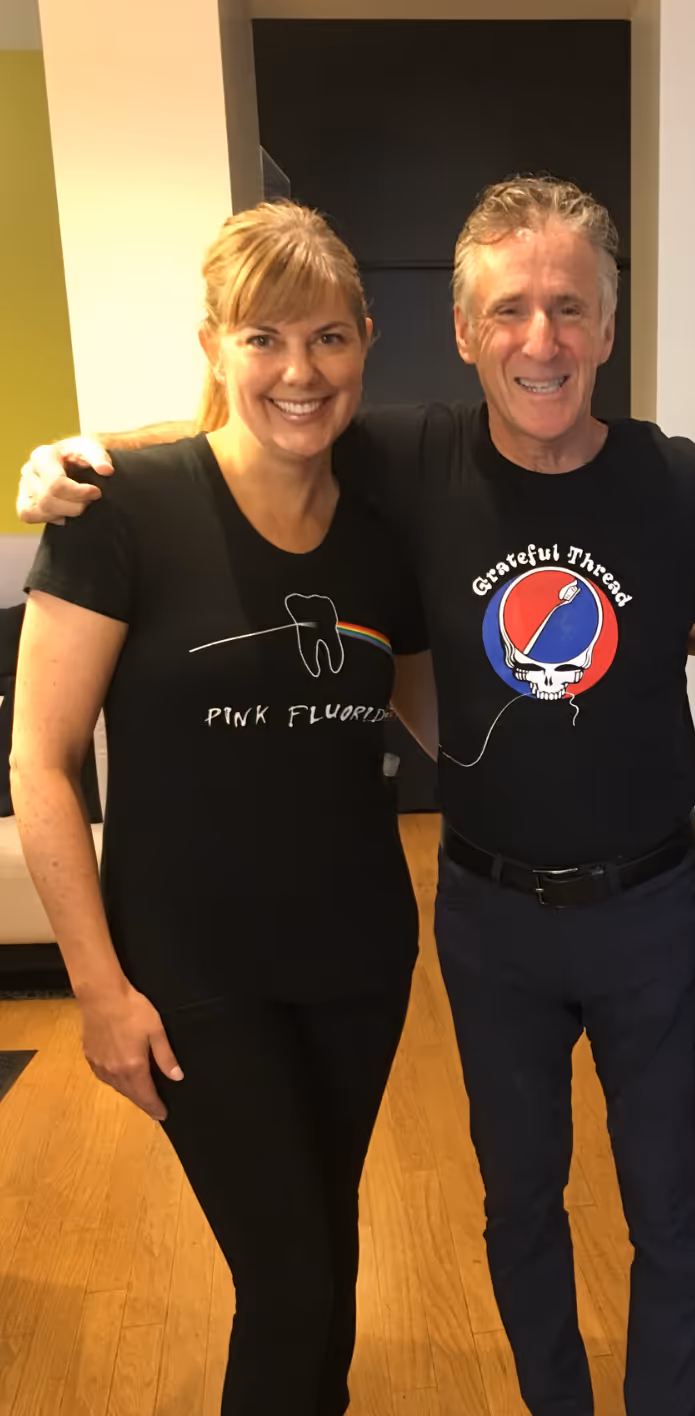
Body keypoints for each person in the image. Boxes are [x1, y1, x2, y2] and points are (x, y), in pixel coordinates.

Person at [15, 176, 695, 1416]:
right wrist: (80, 456)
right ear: (465, 331)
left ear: (608, 326)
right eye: (511, 311)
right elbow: (261, 423)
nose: (543, 339)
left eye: (570, 307)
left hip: (654, 910)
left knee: (671, 1212)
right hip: (490, 916)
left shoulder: (686, 484)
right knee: (519, 1204)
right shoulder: (411, 457)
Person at [10, 201, 433, 1416]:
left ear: (366, 340)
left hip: (356, 957)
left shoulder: (384, 528)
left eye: (328, 338)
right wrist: (97, 988)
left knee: (323, 1247)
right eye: (263, 339)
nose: (300, 371)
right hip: (193, 967)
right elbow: (41, 761)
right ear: (214, 345)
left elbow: (442, 718)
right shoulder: (120, 509)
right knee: (291, 1279)